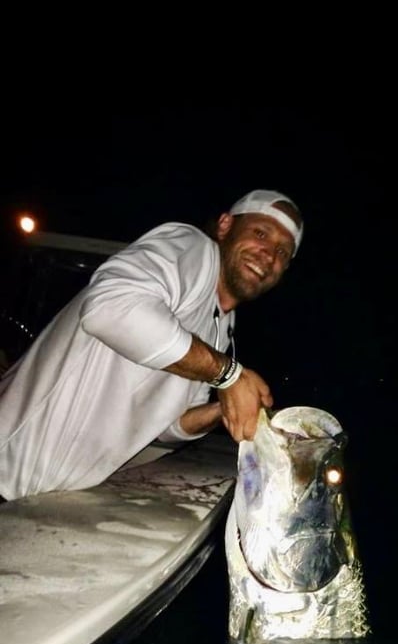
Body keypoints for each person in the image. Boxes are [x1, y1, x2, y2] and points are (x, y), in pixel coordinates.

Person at [0, 189, 303, 501]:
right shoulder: (193, 249)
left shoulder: (221, 328)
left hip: (42, 498)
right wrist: (228, 375)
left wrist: (221, 409)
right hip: (7, 468)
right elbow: (109, 309)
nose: (269, 254)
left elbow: (167, 427)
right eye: (260, 233)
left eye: (283, 252)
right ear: (225, 226)